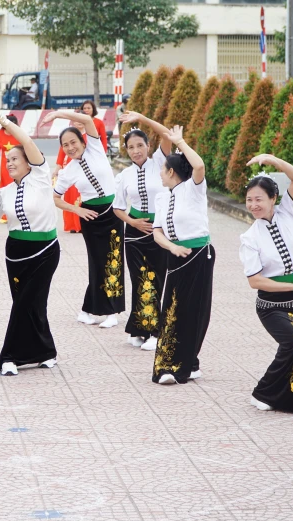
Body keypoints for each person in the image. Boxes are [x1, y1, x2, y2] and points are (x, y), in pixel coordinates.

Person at [240, 155, 293, 415]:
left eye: (259, 199)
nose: (253, 205)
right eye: (249, 200)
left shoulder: (288, 212)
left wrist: (272, 160)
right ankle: (263, 393)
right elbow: (255, 281)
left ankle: (290, 398)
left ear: (273, 198)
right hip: (272, 305)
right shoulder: (249, 237)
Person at [0, 111, 60, 376]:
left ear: (30, 162)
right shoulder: (2, 194)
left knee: (25, 304)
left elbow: (26, 142)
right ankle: (46, 351)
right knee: (31, 303)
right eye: (7, 160)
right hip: (16, 254)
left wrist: (4, 123)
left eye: (15, 158)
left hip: (46, 251)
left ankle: (9, 357)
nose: (10, 163)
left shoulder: (40, 177)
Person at [46, 109, 123, 329]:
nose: (70, 148)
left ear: (82, 140)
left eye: (73, 142)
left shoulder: (95, 149)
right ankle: (101, 310)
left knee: (114, 261)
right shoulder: (67, 171)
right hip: (91, 217)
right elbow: (56, 198)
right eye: (65, 145)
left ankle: (97, 311)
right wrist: (78, 211)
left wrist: (59, 114)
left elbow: (88, 120)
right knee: (98, 264)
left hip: (113, 213)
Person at [151, 125, 214, 385]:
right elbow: (157, 232)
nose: (160, 173)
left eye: (163, 169)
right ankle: (168, 365)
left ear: (171, 171)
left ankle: (189, 362)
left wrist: (181, 142)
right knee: (172, 310)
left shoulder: (193, 189)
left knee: (196, 311)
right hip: (176, 257)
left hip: (200, 254)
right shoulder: (161, 198)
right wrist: (172, 247)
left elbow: (198, 166)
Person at [115, 112, 171, 351]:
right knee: (139, 280)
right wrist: (133, 222)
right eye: (131, 147)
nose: (136, 150)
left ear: (149, 146)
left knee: (158, 279)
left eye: (140, 145)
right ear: (126, 150)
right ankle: (141, 328)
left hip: (159, 229)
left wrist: (142, 118)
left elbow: (167, 134)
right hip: (135, 231)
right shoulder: (124, 175)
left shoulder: (160, 162)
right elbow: (117, 208)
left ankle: (157, 331)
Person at [0, 114, 21, 189]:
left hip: (18, 163)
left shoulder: (19, 133)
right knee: (5, 183)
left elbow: (25, 148)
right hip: (5, 164)